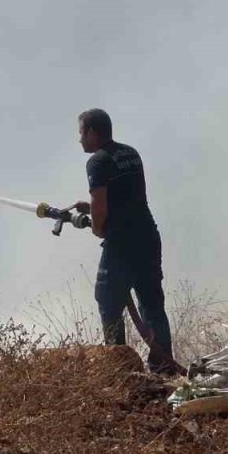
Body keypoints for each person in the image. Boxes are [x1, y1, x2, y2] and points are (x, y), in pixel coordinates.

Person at [71, 108, 175, 373]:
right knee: (152, 303)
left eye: (81, 132)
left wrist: (95, 226)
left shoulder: (96, 162)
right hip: (148, 237)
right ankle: (163, 369)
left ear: (92, 132)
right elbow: (126, 196)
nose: (79, 139)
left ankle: (121, 373)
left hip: (122, 245)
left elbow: (101, 210)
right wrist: (91, 209)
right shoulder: (130, 153)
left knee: (107, 298)